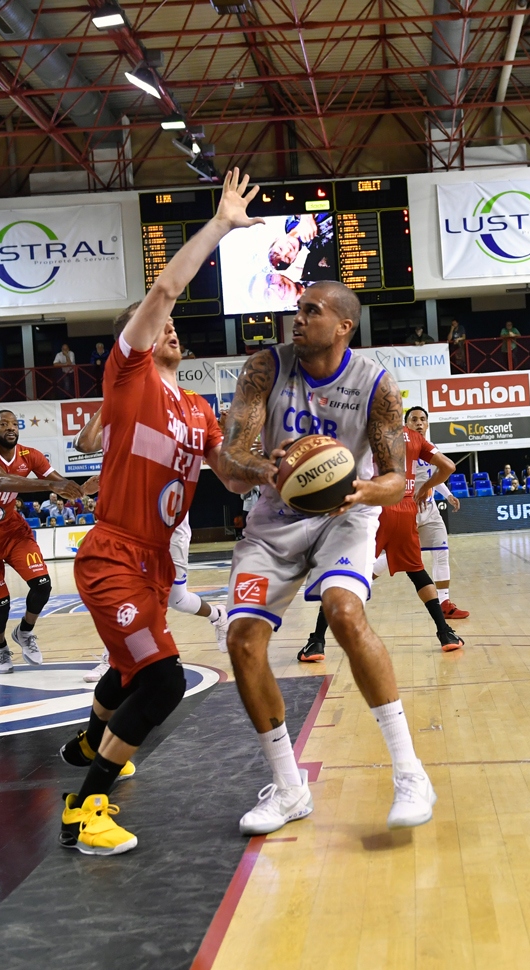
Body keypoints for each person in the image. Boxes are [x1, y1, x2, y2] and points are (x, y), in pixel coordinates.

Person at [56, 169, 259, 857]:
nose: (169, 326)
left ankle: (92, 739)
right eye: (157, 323)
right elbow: (167, 287)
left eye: (173, 326)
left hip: (152, 563)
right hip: (112, 550)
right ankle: (85, 806)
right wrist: (221, 226)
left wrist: (281, 468)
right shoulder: (129, 374)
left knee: (126, 674)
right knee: (164, 678)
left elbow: (230, 477)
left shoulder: (196, 408)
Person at [217, 278, 435, 835]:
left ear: (343, 326)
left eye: (311, 310)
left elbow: (395, 478)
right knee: (241, 640)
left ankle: (410, 773)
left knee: (343, 610)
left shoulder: (376, 385)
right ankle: (290, 789)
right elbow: (234, 449)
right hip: (274, 518)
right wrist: (267, 466)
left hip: (347, 514)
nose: (298, 317)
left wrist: (362, 492)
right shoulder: (265, 366)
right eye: (297, 308)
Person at [72, 380, 231, 686]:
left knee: (177, 599)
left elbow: (162, 465)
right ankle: (115, 659)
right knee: (124, 595)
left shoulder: (187, 409)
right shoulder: (129, 404)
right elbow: (90, 445)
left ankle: (219, 615)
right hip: (128, 529)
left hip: (169, 525)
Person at [301, 415, 464, 660]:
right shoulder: (415, 437)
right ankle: (445, 633)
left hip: (374, 508)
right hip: (406, 509)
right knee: (417, 571)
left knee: (341, 573)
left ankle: (316, 642)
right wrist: (423, 488)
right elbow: (449, 467)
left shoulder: (367, 432)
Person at [0, 412, 85, 672]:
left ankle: (25, 632)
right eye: (3, 425)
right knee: (0, 602)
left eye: (14, 424)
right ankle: (0, 647)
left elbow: (61, 484)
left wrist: (82, 488)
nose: (10, 428)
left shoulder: (30, 456)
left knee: (42, 585)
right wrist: (50, 485)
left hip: (12, 530)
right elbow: (1, 481)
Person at [399, 408, 467, 620]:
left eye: (422, 419)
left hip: (429, 507)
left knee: (441, 551)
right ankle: (357, 590)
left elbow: (437, 474)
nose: (419, 423)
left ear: (427, 424)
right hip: (406, 508)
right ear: (406, 424)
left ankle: (445, 602)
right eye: (413, 420)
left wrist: (447, 495)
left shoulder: (431, 448)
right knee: (392, 558)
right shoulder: (400, 447)